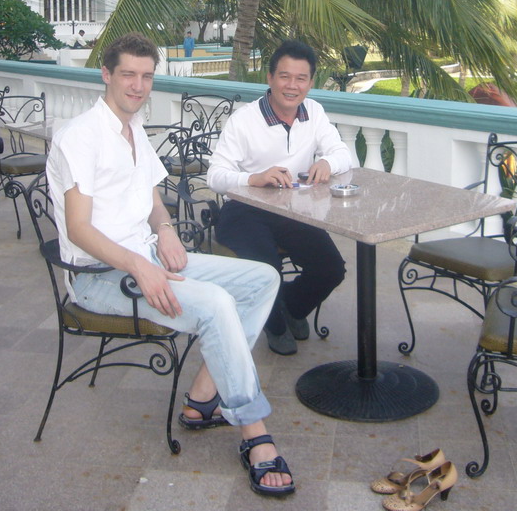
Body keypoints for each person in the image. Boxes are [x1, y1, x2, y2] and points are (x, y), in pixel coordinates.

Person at [46, 32, 294, 496]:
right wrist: (141, 266)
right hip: (102, 278)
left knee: (262, 278)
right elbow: (79, 230)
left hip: (145, 259)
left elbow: (154, 201)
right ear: (106, 75)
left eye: (146, 76)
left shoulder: (134, 129)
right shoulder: (79, 137)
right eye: (128, 75)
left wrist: (164, 233)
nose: (138, 86)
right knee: (218, 304)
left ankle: (203, 397)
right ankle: (255, 432)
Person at [208, 40, 351, 355]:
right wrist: (253, 178)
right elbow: (215, 176)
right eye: (284, 77)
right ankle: (273, 325)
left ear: (311, 83)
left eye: (301, 79)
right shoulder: (244, 120)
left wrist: (327, 162)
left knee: (331, 268)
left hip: (292, 210)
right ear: (269, 78)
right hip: (244, 210)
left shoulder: (313, 111)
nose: (292, 85)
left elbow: (342, 153)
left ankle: (291, 306)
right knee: (267, 269)